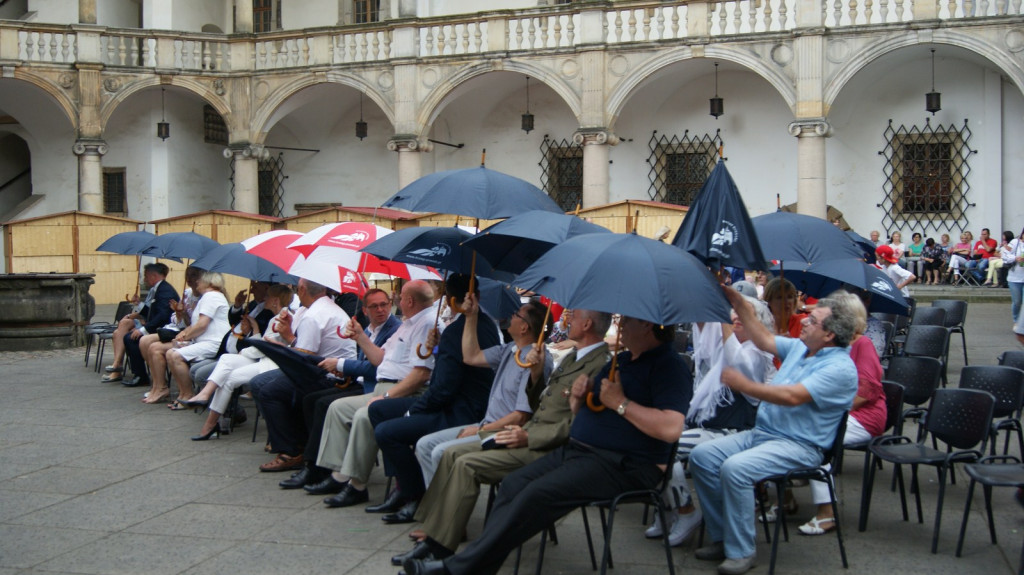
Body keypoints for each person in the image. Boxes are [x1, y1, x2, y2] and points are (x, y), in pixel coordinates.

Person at [401, 315, 692, 575]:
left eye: (627, 321)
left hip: (627, 464)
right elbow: (584, 418)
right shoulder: (623, 362)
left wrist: (620, 403)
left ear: (649, 325)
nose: (620, 326)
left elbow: (670, 428)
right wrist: (580, 403)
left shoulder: (669, 366)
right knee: (514, 485)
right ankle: (476, 566)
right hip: (582, 451)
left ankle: (455, 570)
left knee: (536, 495)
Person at [391, 309, 611, 567]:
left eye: (574, 317)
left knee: (465, 463)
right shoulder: (573, 357)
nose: (567, 320)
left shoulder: (601, 366)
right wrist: (536, 374)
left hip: (545, 447)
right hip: (527, 434)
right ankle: (435, 529)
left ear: (586, 324)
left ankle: (439, 545)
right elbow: (541, 403)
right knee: (450, 453)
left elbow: (578, 424)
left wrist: (529, 437)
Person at [689, 288, 858, 575]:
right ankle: (723, 538)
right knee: (702, 456)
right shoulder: (802, 349)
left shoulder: (840, 368)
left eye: (812, 321)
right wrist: (739, 303)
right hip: (766, 435)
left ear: (830, 335)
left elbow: (792, 396)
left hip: (800, 445)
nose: (803, 321)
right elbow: (764, 338)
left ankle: (741, 551)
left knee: (736, 469)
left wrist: (744, 385)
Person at [368, 274, 501, 523]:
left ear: (450, 300)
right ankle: (402, 484)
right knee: (380, 410)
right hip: (463, 402)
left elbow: (443, 389)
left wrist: (414, 411)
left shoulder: (459, 330)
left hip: (459, 410)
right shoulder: (486, 323)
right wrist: (439, 348)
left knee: (387, 432)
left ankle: (416, 496)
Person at [644, 297, 776, 547]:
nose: (735, 317)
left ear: (758, 325)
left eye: (743, 314)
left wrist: (724, 318)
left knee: (664, 448)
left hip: (731, 432)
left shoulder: (757, 355)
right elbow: (704, 343)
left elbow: (737, 360)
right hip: (707, 428)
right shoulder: (723, 351)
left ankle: (684, 510)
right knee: (649, 440)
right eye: (733, 314)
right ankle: (668, 509)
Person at [307, 280, 437, 503]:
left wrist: (386, 397)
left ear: (409, 301)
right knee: (337, 407)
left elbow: (421, 375)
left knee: (363, 414)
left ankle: (357, 485)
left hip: (404, 391)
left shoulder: (426, 325)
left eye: (397, 297)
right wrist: (360, 335)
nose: (394, 301)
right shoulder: (408, 324)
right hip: (383, 385)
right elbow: (379, 358)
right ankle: (338, 474)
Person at [413, 294, 552, 489]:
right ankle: (437, 507)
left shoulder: (536, 359)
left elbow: (520, 416)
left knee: (439, 452)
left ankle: (445, 512)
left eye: (516, 315)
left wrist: (480, 430)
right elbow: (471, 356)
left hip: (501, 433)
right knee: (425, 445)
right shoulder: (510, 349)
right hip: (485, 425)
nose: (510, 317)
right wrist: (471, 316)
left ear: (524, 327)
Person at [276, 287, 403, 490]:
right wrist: (343, 369)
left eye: (384, 304)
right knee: (309, 398)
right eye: (374, 306)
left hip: (374, 387)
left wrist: (341, 365)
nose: (381, 310)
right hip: (359, 381)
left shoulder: (394, 328)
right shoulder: (368, 328)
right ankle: (314, 460)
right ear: (365, 310)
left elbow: (379, 367)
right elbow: (364, 362)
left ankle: (318, 467)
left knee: (323, 403)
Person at [797, 291, 886, 536]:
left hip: (863, 416)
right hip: (837, 411)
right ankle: (785, 495)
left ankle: (827, 512)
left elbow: (866, 392)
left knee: (816, 437)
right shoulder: (833, 342)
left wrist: (828, 407)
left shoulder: (862, 343)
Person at [251, 278, 357, 472]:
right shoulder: (320, 309)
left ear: (301, 289)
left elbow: (301, 360)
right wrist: (289, 338)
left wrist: (281, 345)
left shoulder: (314, 314)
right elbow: (304, 354)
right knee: (263, 384)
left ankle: (290, 450)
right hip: (326, 371)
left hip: (330, 377)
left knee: (269, 391)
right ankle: (290, 441)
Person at [183, 284, 293, 439]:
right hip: (260, 357)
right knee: (226, 360)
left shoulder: (281, 318)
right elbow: (263, 344)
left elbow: (266, 347)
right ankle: (207, 405)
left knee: (229, 378)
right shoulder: (274, 315)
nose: (264, 299)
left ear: (275, 300)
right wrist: (254, 329)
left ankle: (209, 420)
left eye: (267, 296)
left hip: (270, 363)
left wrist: (245, 348)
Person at [104, 263, 178, 383]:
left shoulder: (164, 290)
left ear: (153, 276)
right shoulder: (158, 289)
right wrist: (139, 304)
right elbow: (152, 312)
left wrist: (144, 330)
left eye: (146, 276)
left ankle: (140, 375)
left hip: (164, 328)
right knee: (127, 336)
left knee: (131, 338)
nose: (144, 280)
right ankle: (136, 373)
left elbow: (162, 316)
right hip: (157, 325)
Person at [1008, 227, 1024, 324]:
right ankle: (1016, 320)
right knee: (1017, 302)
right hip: (1014, 277)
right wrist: (1015, 258)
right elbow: (1005, 254)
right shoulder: (1015, 242)